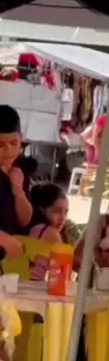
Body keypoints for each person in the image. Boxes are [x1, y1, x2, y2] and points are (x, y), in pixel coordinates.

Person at [0, 105, 32, 256]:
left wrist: (18, 191)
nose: (8, 152)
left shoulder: (19, 170)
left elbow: (24, 220)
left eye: (14, 143)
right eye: (0, 145)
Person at [28, 184, 69, 280]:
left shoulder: (33, 228)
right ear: (42, 210)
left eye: (65, 212)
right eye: (56, 211)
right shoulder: (50, 233)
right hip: (33, 285)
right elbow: (62, 275)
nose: (62, 217)